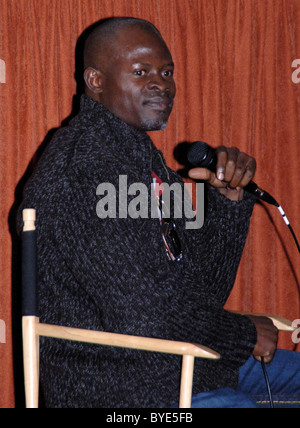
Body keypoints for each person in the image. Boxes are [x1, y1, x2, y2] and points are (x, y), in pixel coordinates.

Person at [19, 17, 300, 408]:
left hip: (180, 367)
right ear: (96, 81)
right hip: (121, 388)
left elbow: (204, 291)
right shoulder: (87, 165)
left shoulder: (143, 162)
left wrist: (229, 203)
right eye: (141, 71)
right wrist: (241, 335)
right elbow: (143, 316)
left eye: (167, 72)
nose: (161, 84)